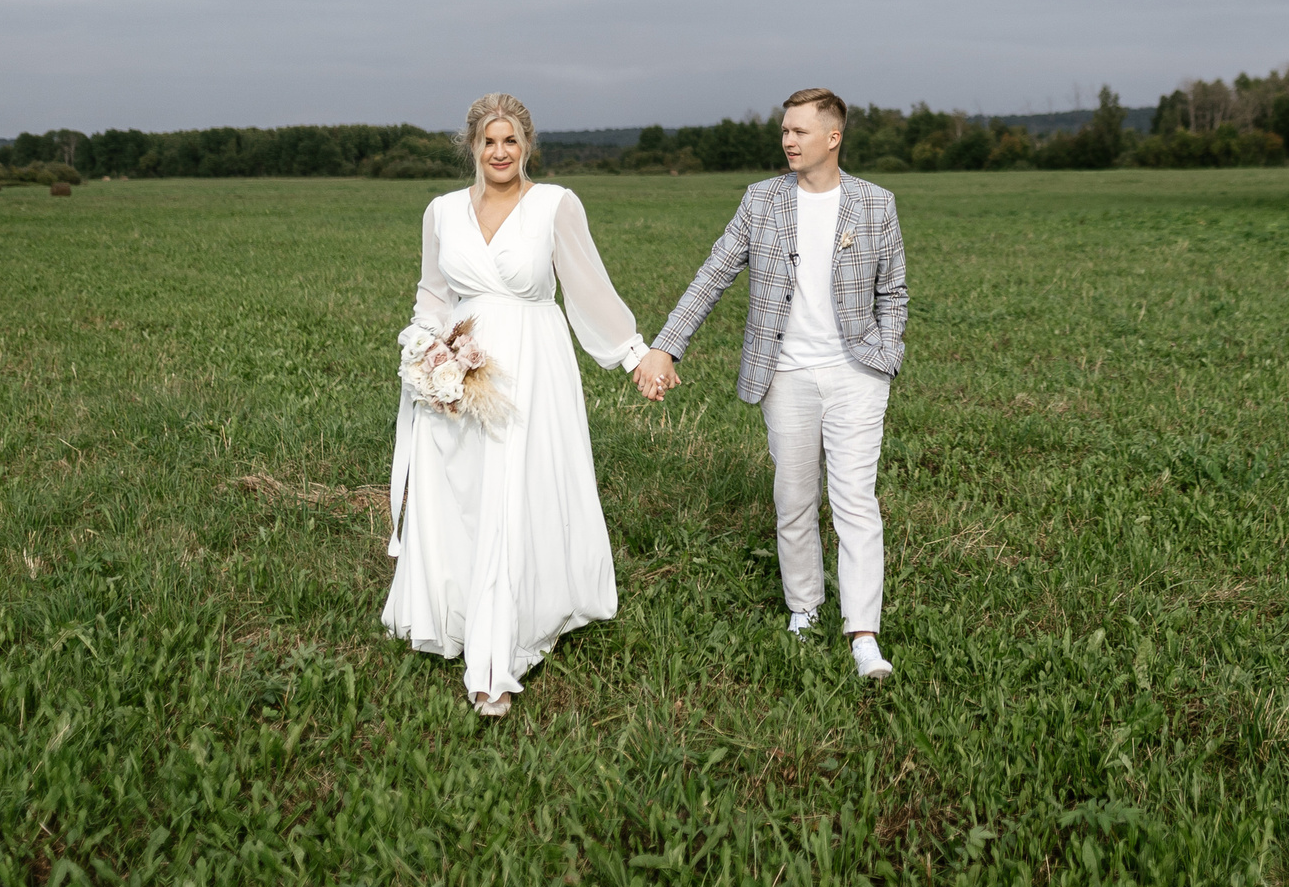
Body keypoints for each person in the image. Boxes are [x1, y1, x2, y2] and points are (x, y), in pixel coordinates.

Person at [382, 92, 666, 717]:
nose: (500, 151)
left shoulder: (555, 205)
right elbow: (432, 295)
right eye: (489, 141)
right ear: (473, 147)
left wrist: (636, 354)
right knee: (462, 492)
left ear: (527, 146)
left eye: (511, 141)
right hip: (456, 370)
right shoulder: (441, 212)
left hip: (531, 370)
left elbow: (589, 288)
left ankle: (497, 654)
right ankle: (456, 613)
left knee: (514, 493)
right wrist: (426, 357)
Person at [636, 87, 907, 681]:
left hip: (858, 373)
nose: (787, 141)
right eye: (784, 131)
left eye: (800, 131)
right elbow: (714, 274)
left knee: (856, 500)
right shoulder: (761, 202)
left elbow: (893, 289)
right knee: (794, 498)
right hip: (783, 373)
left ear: (832, 137)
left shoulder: (875, 203)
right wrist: (665, 345)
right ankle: (804, 608)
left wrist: (887, 350)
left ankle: (864, 635)